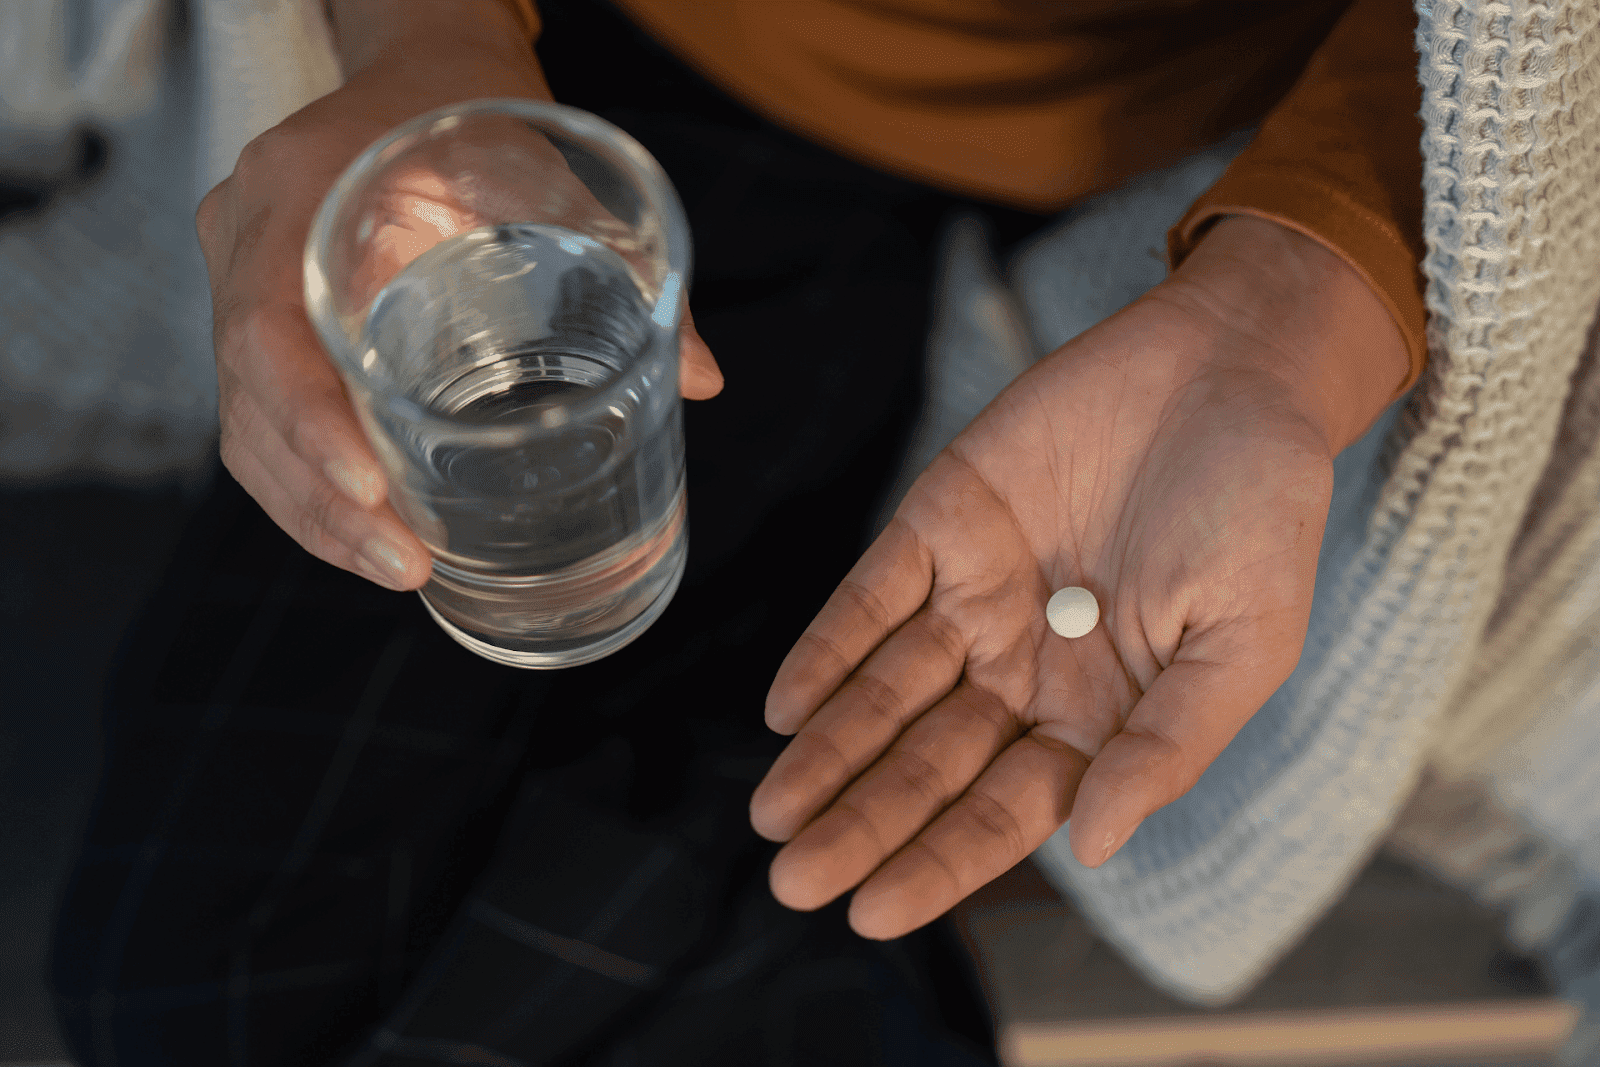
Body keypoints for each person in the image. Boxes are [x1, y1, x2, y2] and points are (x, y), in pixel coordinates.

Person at [49, 0, 1431, 1063]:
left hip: (1203, 133)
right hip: (648, 93)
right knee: (182, 980)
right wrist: (430, 43)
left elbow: (1525, 54)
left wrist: (1290, 307)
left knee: (195, 988)